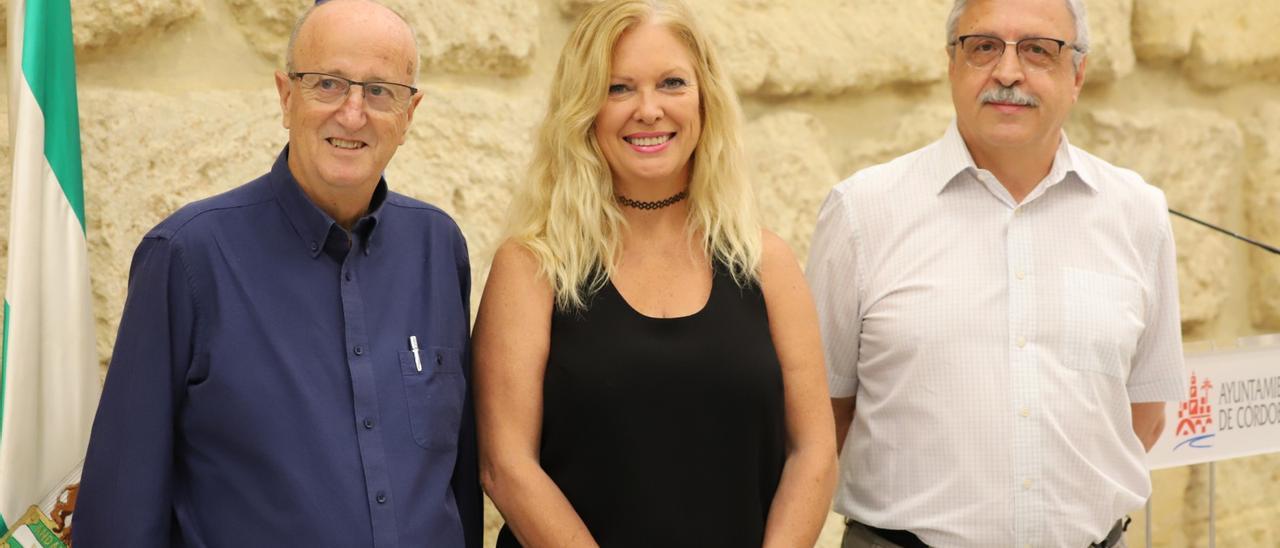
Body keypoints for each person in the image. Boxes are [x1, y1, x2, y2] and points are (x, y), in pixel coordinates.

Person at [72, 1, 480, 545]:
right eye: (328, 84)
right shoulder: (187, 256)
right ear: (286, 97)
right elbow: (123, 505)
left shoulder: (438, 248)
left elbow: (457, 477)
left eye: (379, 91)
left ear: (410, 113)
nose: (353, 113)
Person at [808, 0, 1188, 546]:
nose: (1007, 72)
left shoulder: (1137, 213)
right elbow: (823, 415)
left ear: (1077, 73)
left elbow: (1143, 415)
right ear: (951, 65)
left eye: (1038, 50)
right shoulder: (862, 213)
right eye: (983, 47)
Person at [472, 1, 837, 546]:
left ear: (704, 98)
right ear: (584, 107)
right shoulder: (532, 266)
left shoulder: (766, 262)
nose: (648, 109)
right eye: (618, 88)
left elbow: (814, 452)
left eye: (671, 83)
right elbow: (506, 465)